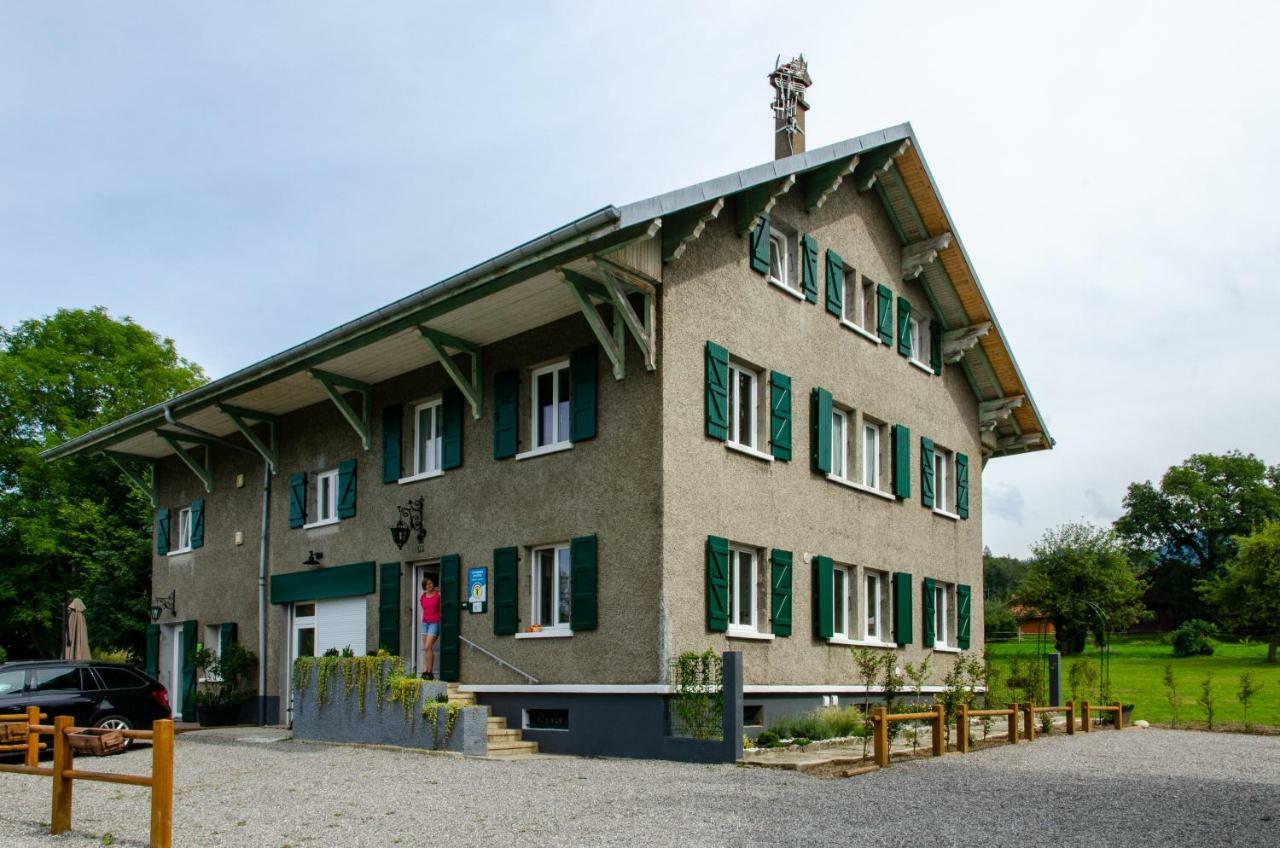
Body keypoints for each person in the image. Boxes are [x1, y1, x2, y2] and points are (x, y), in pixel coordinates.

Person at [419, 576, 441, 680]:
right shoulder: (422, 597)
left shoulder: (438, 595)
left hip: (434, 623)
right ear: (424, 587)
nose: (429, 586)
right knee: (426, 648)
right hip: (425, 623)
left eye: (431, 583)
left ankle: (430, 672)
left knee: (428, 646)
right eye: (427, 584)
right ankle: (425, 671)